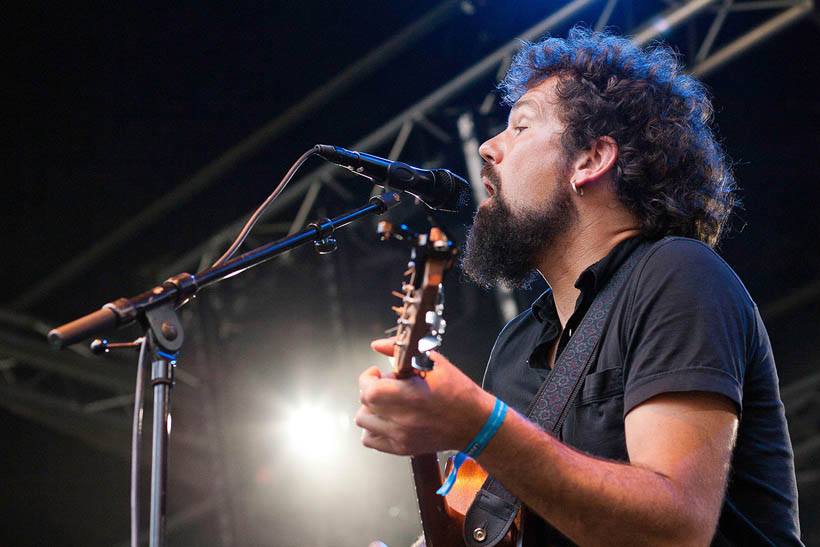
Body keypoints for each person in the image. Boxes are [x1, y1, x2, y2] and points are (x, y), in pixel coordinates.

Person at [355, 27, 802, 546]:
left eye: (520, 127)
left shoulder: (679, 274)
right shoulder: (516, 347)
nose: (487, 147)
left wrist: (478, 423)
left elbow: (677, 532)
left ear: (591, 159)